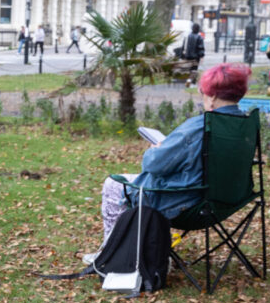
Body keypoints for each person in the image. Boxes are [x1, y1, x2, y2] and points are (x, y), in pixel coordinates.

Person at [87, 63, 250, 262]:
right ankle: (140, 248)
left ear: (213, 96)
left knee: (113, 184)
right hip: (227, 200)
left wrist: (156, 149)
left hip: (185, 203)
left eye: (203, 92)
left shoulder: (199, 128)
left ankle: (110, 254)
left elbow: (153, 165)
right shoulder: (244, 124)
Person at [182, 22, 206, 88]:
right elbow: (201, 48)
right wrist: (201, 56)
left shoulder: (188, 36)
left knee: (189, 69)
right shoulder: (199, 37)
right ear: (198, 29)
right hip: (195, 57)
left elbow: (184, 46)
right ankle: (191, 83)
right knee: (194, 70)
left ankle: (188, 82)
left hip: (187, 56)